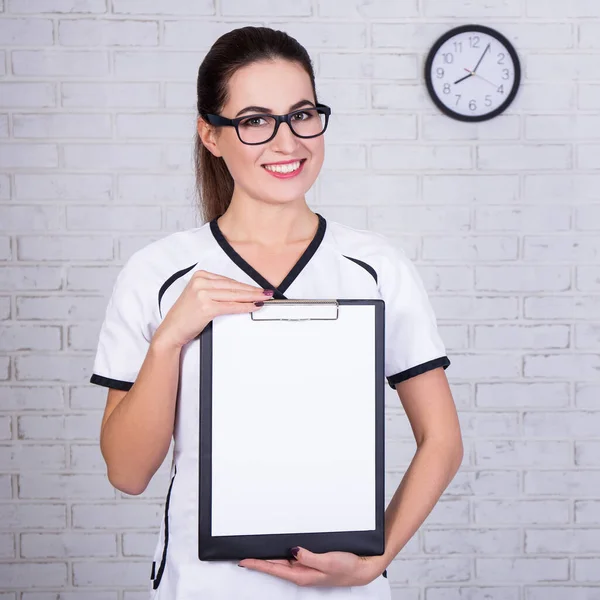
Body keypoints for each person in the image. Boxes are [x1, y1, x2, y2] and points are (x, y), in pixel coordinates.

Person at [91, 26, 463, 600]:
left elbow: (441, 438)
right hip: (204, 586)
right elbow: (127, 473)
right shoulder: (157, 273)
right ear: (211, 135)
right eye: (255, 120)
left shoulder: (375, 266)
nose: (287, 142)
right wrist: (169, 342)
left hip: (346, 589)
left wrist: (372, 563)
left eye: (302, 114)